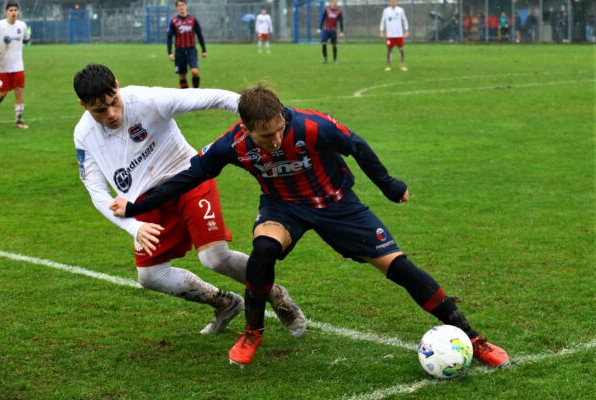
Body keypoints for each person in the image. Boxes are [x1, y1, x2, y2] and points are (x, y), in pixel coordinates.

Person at [110, 82, 510, 369]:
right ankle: (253, 331)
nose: (275, 139)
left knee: (401, 269)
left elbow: (358, 146)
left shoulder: (313, 126)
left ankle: (474, 338)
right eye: (265, 136)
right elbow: (188, 177)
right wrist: (135, 206)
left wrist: (390, 186)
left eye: (279, 129)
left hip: (339, 206)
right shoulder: (231, 145)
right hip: (284, 208)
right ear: (246, 128)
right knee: (263, 251)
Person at [73, 65, 306, 338]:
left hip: (188, 179)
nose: (111, 113)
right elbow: (96, 191)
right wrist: (134, 228)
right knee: (150, 277)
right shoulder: (84, 135)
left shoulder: (147, 100)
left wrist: (267, 118)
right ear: (83, 105)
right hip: (148, 202)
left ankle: (275, 294)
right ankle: (224, 302)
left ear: (118, 85)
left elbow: (213, 97)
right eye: (99, 110)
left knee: (214, 258)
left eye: (114, 102)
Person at [0, 2, 30, 128]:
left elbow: (26, 39)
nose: (13, 12)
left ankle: (19, 120)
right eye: (11, 10)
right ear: (6, 12)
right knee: (2, 93)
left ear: (18, 12)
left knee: (19, 91)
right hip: (1, 66)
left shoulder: (22, 25)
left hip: (17, 66)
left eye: (15, 10)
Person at [167, 0, 206, 89]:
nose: (181, 7)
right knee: (182, 76)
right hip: (179, 51)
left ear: (186, 6)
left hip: (191, 50)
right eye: (179, 5)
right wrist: (169, 52)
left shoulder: (193, 19)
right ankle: (185, 96)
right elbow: (169, 37)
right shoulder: (174, 21)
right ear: (177, 7)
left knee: (194, 71)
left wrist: (204, 50)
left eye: (183, 5)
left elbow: (199, 34)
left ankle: (196, 92)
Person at [380, 0, 409, 72]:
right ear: (389, 2)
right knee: (389, 50)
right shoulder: (386, 11)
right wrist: (381, 31)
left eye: (394, 1)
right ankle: (389, 65)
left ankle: (402, 64)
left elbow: (404, 20)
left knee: (401, 49)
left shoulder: (401, 10)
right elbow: (382, 21)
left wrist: (406, 30)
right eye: (391, 1)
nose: (393, 3)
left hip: (399, 35)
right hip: (390, 35)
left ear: (396, 2)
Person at [318, 0, 344, 64]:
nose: (334, 3)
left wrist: (341, 31)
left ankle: (335, 60)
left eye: (336, 2)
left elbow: (341, 22)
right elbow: (323, 19)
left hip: (333, 31)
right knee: (324, 43)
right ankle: (325, 59)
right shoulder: (327, 10)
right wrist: (320, 28)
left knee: (334, 45)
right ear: (331, 3)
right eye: (333, 2)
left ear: (337, 3)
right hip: (326, 30)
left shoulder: (339, 12)